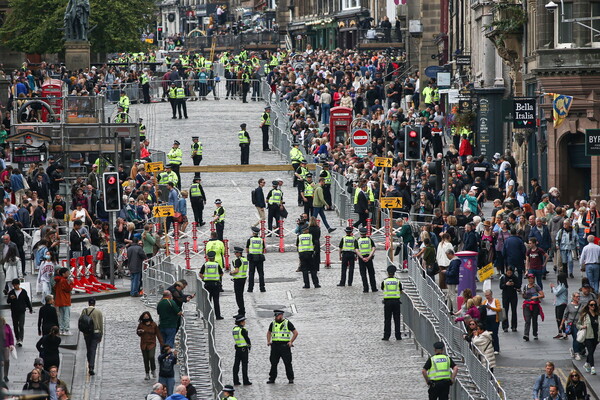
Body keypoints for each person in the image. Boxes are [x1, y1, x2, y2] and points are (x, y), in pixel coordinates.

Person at [267, 309, 298, 384]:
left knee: (287, 363)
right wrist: (268, 341)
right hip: (275, 346)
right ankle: (272, 378)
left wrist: (291, 341)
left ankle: (290, 378)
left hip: (284, 346)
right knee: (273, 363)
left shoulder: (287, 323)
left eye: (277, 316)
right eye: (275, 316)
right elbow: (269, 332)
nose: (275, 317)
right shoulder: (273, 323)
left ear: (281, 315)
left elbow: (295, 333)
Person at [137, 311, 163, 381]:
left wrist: (162, 343)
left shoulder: (153, 324)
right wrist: (140, 332)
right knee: (145, 359)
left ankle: (153, 369)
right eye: (145, 317)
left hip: (152, 343)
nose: (146, 318)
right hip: (143, 344)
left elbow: (158, 334)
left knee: (151, 357)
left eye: (147, 316)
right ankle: (147, 373)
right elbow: (138, 333)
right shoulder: (141, 325)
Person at [79, 298, 103, 376]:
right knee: (93, 350)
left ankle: (90, 363)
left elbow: (81, 321)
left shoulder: (84, 311)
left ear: (88, 303)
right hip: (96, 333)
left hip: (87, 333)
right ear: (94, 303)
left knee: (88, 349)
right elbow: (101, 324)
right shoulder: (98, 312)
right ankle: (91, 367)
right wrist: (101, 335)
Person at [7, 278, 33, 347]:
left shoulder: (23, 292)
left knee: (21, 325)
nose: (15, 286)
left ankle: (21, 339)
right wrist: (10, 298)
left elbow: (27, 300)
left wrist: (30, 308)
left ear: (19, 284)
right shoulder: (11, 292)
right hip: (14, 311)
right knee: (15, 326)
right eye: (14, 285)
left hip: (22, 311)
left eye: (16, 285)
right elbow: (8, 301)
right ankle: (17, 338)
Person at [200, 251, 224, 320]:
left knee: (207, 301)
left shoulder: (205, 264)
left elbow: (200, 274)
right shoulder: (217, 264)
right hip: (216, 285)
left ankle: (206, 315)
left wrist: (204, 279)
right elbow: (221, 274)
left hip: (207, 284)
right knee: (216, 301)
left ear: (208, 258)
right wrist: (217, 277)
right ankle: (218, 316)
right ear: (214, 258)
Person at [578, 299, 600, 375]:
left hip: (596, 337)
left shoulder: (598, 314)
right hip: (588, 336)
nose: (593, 306)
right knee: (590, 351)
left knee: (592, 351)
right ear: (588, 306)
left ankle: (586, 364)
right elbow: (577, 324)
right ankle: (592, 367)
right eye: (591, 305)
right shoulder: (584, 315)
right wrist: (582, 326)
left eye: (594, 305)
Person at [381, 265, 402, 341]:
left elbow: (382, 288)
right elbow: (401, 290)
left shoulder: (385, 281)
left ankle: (386, 336)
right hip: (396, 302)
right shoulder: (397, 281)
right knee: (397, 319)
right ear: (394, 273)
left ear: (387, 273)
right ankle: (398, 336)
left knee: (387, 319)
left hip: (387, 302)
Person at [561, 292, 583, 361]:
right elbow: (565, 315)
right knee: (576, 337)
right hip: (572, 324)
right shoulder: (569, 306)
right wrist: (562, 324)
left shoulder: (582, 305)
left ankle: (575, 350)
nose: (578, 298)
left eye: (579, 296)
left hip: (580, 324)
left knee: (581, 338)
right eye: (576, 296)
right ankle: (576, 353)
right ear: (573, 297)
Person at [523, 273, 545, 341]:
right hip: (527, 305)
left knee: (534, 320)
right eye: (529, 278)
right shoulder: (525, 286)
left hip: (535, 305)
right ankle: (526, 334)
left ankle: (535, 333)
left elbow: (542, 295)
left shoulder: (536, 286)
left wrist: (536, 296)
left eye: (531, 278)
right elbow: (524, 296)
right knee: (527, 320)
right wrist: (524, 295)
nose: (530, 280)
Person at [297, 224, 320, 289]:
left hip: (302, 254)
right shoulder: (311, 236)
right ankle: (316, 284)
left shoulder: (299, 236)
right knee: (312, 269)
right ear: (307, 229)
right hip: (310, 254)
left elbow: (297, 245)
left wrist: (299, 253)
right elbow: (315, 244)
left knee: (304, 270)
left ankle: (306, 284)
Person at [355, 227, 378, 293]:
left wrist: (362, 257)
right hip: (369, 258)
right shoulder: (369, 239)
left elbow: (356, 250)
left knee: (363, 274)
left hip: (361, 259)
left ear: (360, 233)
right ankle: (374, 288)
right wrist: (369, 257)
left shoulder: (358, 240)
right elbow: (373, 248)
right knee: (371, 273)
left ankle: (365, 288)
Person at [232, 315, 252, 385]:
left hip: (237, 349)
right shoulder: (243, 330)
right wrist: (249, 346)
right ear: (241, 322)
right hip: (244, 349)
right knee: (244, 365)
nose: (245, 322)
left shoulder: (234, 329)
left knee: (236, 365)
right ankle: (245, 381)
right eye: (244, 321)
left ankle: (235, 380)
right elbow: (247, 339)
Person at [54, 267, 74, 335]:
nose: (68, 274)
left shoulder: (58, 280)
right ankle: (66, 329)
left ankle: (61, 329)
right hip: (65, 300)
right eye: (67, 272)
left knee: (61, 316)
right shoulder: (64, 280)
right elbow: (68, 289)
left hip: (59, 301)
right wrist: (71, 283)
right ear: (63, 274)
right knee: (66, 316)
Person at [499, 268, 520, 332]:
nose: (509, 274)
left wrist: (514, 284)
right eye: (508, 273)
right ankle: (504, 326)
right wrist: (506, 284)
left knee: (514, 311)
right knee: (504, 311)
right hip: (505, 295)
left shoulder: (515, 277)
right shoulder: (503, 277)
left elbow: (518, 286)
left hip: (513, 295)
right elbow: (501, 286)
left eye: (510, 273)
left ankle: (514, 326)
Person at [246, 227, 266, 293]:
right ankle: (262, 288)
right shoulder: (261, 240)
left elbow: (247, 249)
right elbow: (263, 249)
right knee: (261, 274)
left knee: (251, 274)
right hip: (260, 258)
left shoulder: (250, 240)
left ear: (253, 233)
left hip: (252, 258)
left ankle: (250, 288)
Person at [550, 273, 569, 339]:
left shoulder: (563, 286)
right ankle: (560, 332)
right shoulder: (560, 285)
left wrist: (553, 287)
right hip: (558, 303)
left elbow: (556, 293)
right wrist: (552, 288)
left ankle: (564, 332)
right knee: (558, 319)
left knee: (561, 319)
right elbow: (554, 291)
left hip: (562, 304)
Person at [231, 247, 248, 316]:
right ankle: (241, 311)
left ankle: (241, 312)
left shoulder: (238, 260)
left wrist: (231, 273)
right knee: (240, 296)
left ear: (238, 253)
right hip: (243, 278)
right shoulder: (244, 259)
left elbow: (236, 271)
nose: (235, 254)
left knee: (238, 297)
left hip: (238, 280)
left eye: (235, 252)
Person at [445, 249, 460, 313]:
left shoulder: (454, 262)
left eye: (447, 255)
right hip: (452, 280)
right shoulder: (456, 261)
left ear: (450, 254)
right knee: (449, 295)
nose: (447, 257)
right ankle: (448, 309)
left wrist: (446, 272)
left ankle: (455, 310)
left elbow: (452, 273)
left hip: (451, 280)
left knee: (452, 295)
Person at [1, 316, 14, 382]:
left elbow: (11, 335)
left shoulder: (7, 326)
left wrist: (11, 344)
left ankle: (6, 375)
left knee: (7, 360)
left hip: (6, 346)